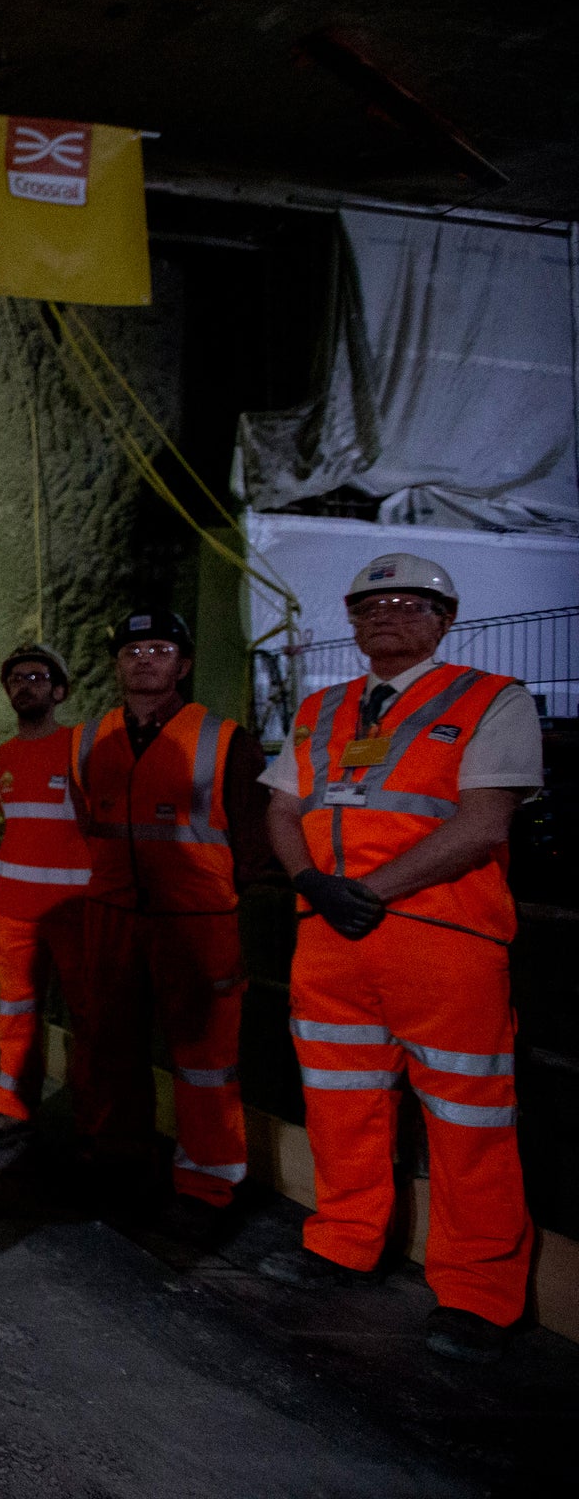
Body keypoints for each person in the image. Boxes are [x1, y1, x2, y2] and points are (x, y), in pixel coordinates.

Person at [254, 555, 540, 1365]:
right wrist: (310, 879)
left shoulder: (492, 700)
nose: (388, 613)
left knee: (469, 1119)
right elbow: (283, 807)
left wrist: (368, 891)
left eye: (411, 602)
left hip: (440, 938)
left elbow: (485, 822)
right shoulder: (321, 709)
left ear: (443, 621)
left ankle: (480, 1294)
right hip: (331, 937)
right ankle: (342, 1244)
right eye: (371, 602)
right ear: (350, 618)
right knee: (341, 1104)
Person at [69, 608, 271, 1241]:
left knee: (206, 1060)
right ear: (118, 665)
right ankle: (116, 1160)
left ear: (183, 665)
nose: (145, 660)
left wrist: (245, 924)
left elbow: (255, 843)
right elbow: (89, 823)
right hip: (113, 916)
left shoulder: (226, 739)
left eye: (160, 649)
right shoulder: (88, 739)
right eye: (133, 651)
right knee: (109, 1047)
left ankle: (209, 1183)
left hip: (198, 923)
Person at [0, 643, 90, 1149]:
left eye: (38, 678)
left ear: (59, 691)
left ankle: (94, 1122)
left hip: (75, 911)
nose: (26, 685)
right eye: (17, 679)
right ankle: (12, 1110)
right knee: (16, 1012)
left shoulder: (82, 747)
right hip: (16, 911)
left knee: (89, 1016)